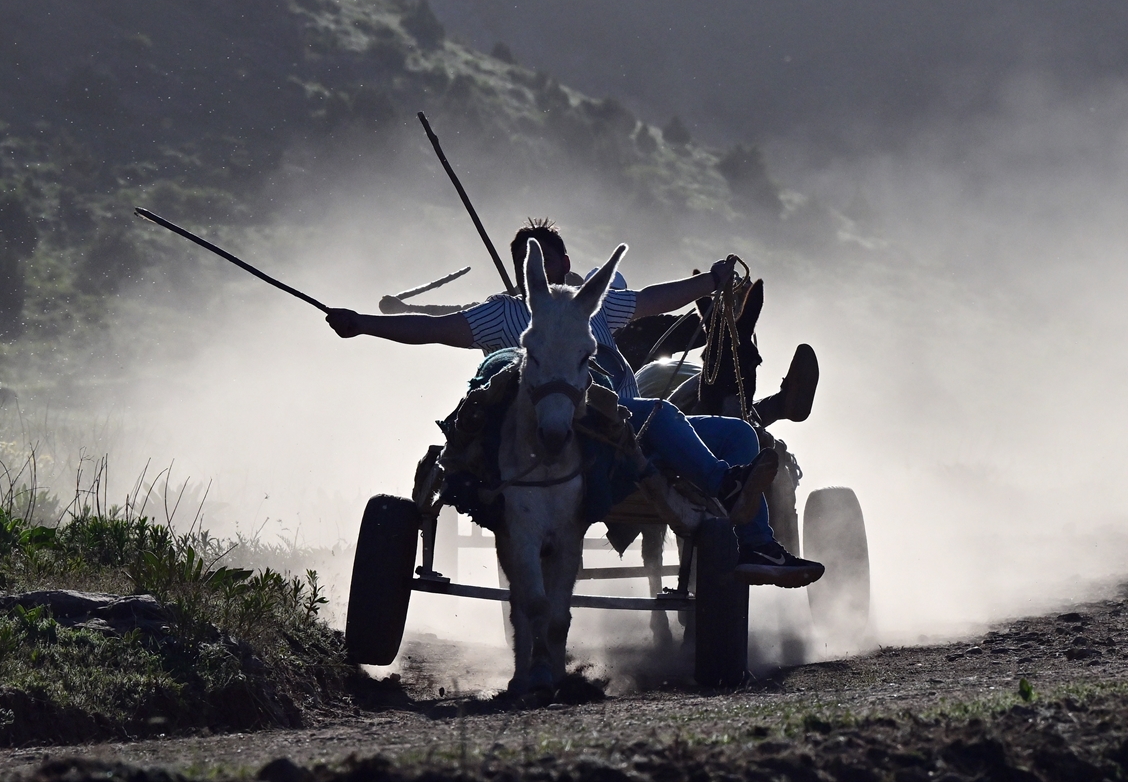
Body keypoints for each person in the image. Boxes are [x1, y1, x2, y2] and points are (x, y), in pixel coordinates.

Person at [326, 219, 824, 587]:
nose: (540, 268)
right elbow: (433, 330)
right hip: (581, 436)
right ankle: (725, 484)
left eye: (548, 257)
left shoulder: (595, 302)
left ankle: (756, 546)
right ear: (525, 272)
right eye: (531, 261)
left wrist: (710, 283)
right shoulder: (508, 314)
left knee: (738, 433)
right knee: (664, 413)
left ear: (565, 263)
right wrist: (364, 324)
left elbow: (652, 298)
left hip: (635, 433)